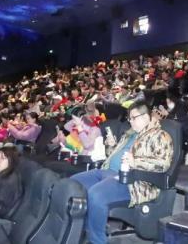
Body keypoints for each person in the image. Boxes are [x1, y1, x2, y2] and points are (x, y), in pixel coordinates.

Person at [70, 102, 173, 244]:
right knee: (72, 184)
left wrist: (136, 162)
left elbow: (163, 164)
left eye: (133, 118)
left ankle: (97, 241)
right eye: (129, 118)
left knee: (96, 194)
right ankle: (79, 231)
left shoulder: (160, 135)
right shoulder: (129, 134)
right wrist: (111, 146)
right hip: (107, 172)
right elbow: (114, 157)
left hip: (133, 181)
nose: (130, 121)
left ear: (145, 117)